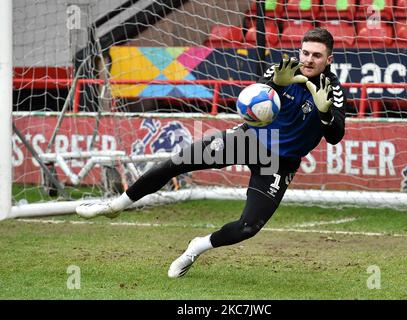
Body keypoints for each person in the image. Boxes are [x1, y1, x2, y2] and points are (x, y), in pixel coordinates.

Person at [76, 28, 347, 278]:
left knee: (248, 227)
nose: (309, 59)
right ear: (300, 51)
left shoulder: (332, 89)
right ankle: (114, 206)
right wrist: (276, 84)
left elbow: (335, 137)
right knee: (176, 162)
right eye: (305, 52)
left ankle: (196, 247)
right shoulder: (281, 70)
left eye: (317, 55)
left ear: (329, 59)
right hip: (247, 139)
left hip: (279, 162)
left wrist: (324, 112)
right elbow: (254, 104)